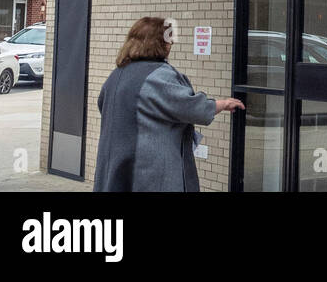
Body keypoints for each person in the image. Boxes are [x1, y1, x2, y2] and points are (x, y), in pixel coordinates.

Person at [93, 16, 244, 192]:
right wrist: (224, 104)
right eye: (169, 40)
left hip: (117, 165)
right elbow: (192, 108)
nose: (171, 45)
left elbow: (102, 105)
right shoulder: (157, 76)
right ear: (158, 43)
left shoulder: (118, 73)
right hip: (148, 171)